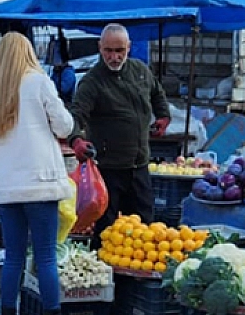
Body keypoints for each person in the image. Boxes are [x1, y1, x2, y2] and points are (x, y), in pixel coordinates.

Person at [0, 33, 78, 315]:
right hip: (40, 181)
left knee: (13, 257)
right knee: (45, 256)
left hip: (6, 185)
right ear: (28, 52)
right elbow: (64, 127)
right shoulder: (38, 81)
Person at [69, 23, 170, 236]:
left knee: (145, 228)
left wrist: (163, 116)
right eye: (108, 51)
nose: (114, 57)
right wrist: (76, 139)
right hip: (108, 170)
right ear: (100, 47)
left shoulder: (140, 71)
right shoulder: (92, 82)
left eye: (119, 51)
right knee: (106, 229)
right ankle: (104, 268)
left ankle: (135, 269)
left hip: (139, 166)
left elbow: (157, 93)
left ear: (129, 47)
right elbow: (76, 114)